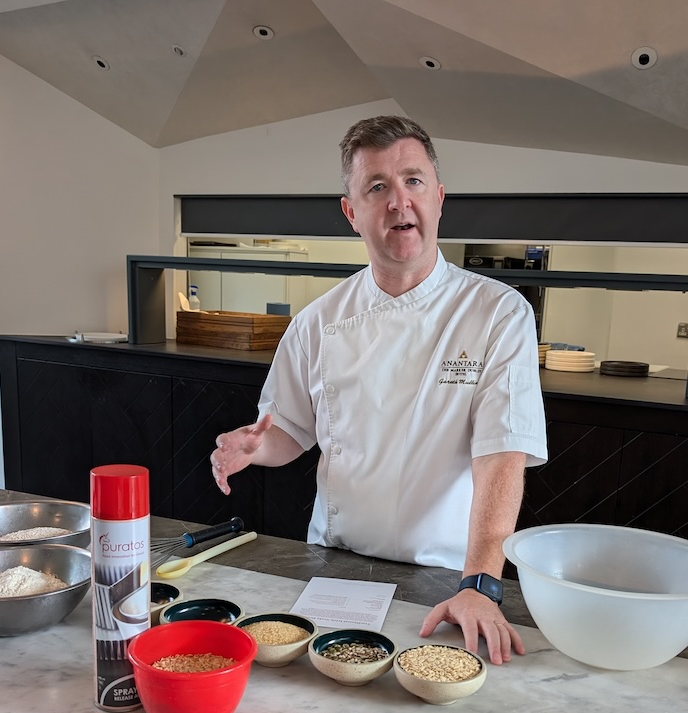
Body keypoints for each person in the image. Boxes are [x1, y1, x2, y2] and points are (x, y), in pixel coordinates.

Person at [210, 115, 547, 664]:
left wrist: (482, 583)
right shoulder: (318, 321)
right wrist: (256, 447)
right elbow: (291, 429)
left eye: (413, 181)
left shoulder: (497, 313)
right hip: (335, 565)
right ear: (351, 212)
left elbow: (502, 452)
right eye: (377, 187)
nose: (399, 201)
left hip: (448, 578)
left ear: (438, 197)